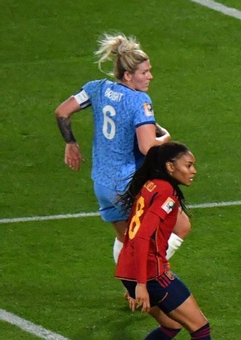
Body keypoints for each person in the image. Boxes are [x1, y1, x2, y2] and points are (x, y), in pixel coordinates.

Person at [104, 142, 241, 340]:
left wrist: (134, 282)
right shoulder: (166, 192)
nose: (193, 171)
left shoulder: (151, 185)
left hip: (129, 270)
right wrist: (142, 285)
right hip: (150, 273)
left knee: (170, 325)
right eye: (188, 165)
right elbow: (143, 236)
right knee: (199, 327)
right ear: (170, 167)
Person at [53, 33, 188, 264]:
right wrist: (165, 138)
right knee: (181, 227)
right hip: (129, 185)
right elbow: (148, 147)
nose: (150, 76)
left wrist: (71, 143)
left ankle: (131, 279)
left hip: (103, 185)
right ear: (128, 75)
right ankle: (144, 274)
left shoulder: (96, 88)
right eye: (144, 72)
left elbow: (62, 112)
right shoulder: (139, 101)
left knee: (126, 240)